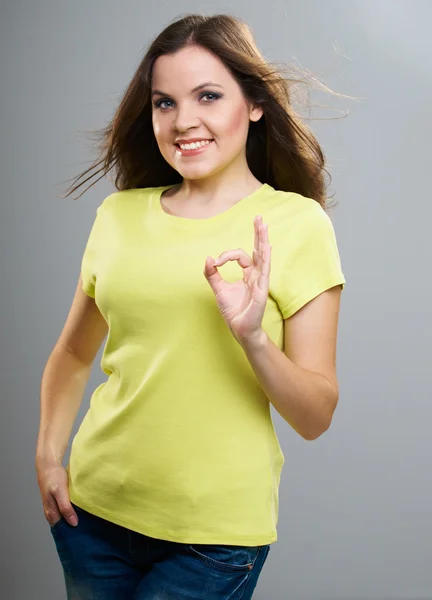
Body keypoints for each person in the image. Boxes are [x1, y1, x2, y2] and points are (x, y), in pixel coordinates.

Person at [35, 12, 346, 600]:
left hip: (212, 539)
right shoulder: (119, 216)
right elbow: (73, 354)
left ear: (254, 104)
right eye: (165, 103)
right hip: (93, 517)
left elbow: (315, 416)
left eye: (208, 96)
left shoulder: (296, 225)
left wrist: (253, 337)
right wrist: (49, 457)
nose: (185, 122)